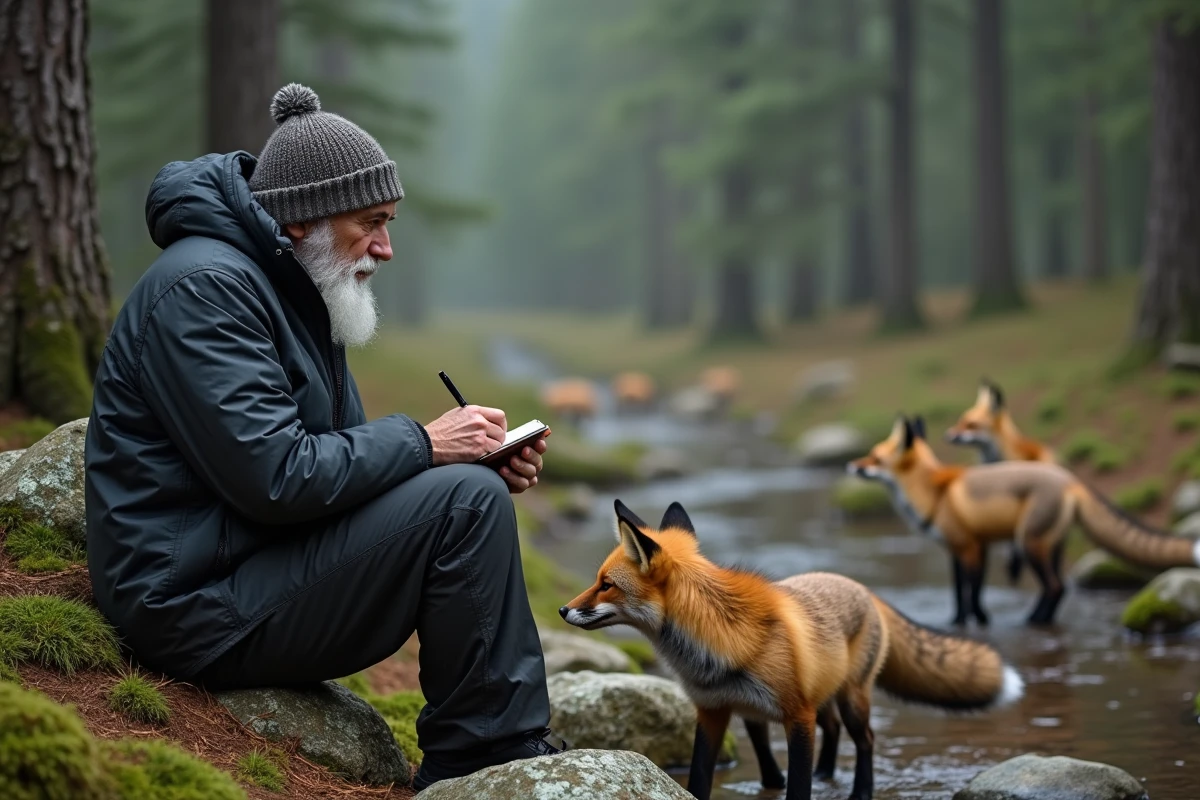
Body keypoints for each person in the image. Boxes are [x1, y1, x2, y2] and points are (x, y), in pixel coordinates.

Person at [85, 83, 561, 790]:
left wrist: (475, 458)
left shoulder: (289, 284)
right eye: (372, 221)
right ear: (303, 217)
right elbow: (277, 476)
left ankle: (493, 745)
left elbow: (337, 469)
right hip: (189, 603)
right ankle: (485, 759)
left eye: (389, 222)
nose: (386, 247)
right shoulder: (205, 290)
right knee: (459, 501)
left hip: (246, 564)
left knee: (467, 494)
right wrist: (429, 446)